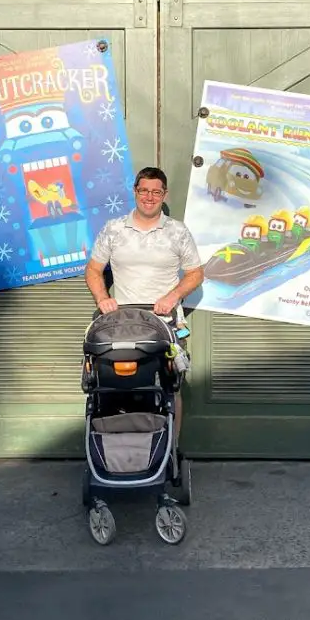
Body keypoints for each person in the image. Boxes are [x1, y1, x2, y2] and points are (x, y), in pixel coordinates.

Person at [85, 166, 204, 444]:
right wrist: (103, 298)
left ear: (164, 195)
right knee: (117, 386)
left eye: (156, 191)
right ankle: (119, 446)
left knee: (172, 387)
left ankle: (170, 450)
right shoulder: (114, 229)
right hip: (122, 323)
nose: (149, 197)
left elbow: (196, 273)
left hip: (165, 323)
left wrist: (172, 296)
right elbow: (93, 270)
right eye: (143, 190)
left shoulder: (177, 231)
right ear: (135, 192)